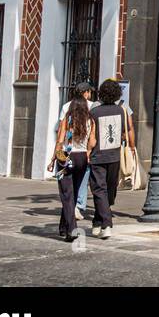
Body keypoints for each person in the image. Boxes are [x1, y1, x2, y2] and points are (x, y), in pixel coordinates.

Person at [48, 85, 94, 242]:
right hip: (81, 158)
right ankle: (63, 227)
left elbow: (60, 140)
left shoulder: (67, 119)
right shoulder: (89, 121)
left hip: (66, 158)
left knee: (66, 194)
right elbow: (92, 141)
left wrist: (53, 158)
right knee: (72, 192)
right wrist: (88, 154)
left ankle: (72, 230)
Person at [87, 79, 127, 240]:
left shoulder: (94, 113)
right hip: (115, 156)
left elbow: (92, 137)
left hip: (98, 156)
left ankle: (106, 223)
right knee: (109, 191)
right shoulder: (120, 111)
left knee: (99, 190)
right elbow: (123, 133)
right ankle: (98, 223)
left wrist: (88, 151)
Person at [58, 82, 94, 219]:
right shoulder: (92, 106)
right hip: (83, 152)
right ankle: (78, 205)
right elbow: (93, 135)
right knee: (83, 179)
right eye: (89, 92)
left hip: (67, 151)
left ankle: (71, 208)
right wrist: (90, 152)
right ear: (85, 92)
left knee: (66, 184)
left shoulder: (66, 107)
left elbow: (61, 132)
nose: (90, 95)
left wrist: (56, 153)